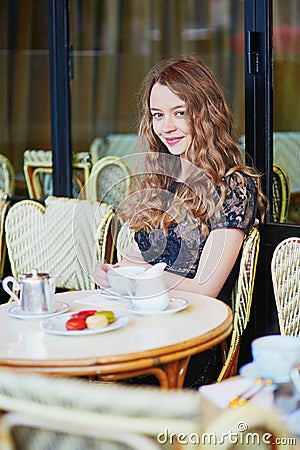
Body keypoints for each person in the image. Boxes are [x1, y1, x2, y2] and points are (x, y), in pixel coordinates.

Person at [93, 56, 266, 387]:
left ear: (206, 114)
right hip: (141, 330)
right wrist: (112, 272)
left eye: (179, 113)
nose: (166, 127)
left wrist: (142, 276)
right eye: (158, 115)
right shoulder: (161, 179)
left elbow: (205, 289)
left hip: (186, 344)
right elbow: (133, 259)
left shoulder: (234, 186)